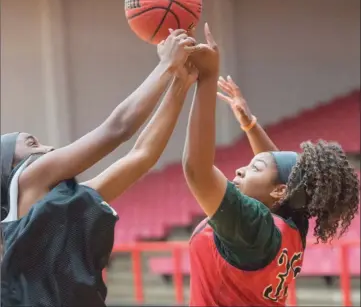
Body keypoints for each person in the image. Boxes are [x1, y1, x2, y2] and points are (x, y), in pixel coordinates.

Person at [1, 29, 198, 306]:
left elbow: (142, 155)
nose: (45, 147)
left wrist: (180, 85)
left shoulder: (58, 205)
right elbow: (118, 129)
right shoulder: (27, 179)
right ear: (9, 164)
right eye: (31, 143)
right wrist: (166, 65)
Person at [182, 23, 360, 306]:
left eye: (252, 168)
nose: (239, 170)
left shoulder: (253, 226)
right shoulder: (292, 223)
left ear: (279, 192)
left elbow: (197, 170)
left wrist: (206, 78)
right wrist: (249, 124)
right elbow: (284, 175)